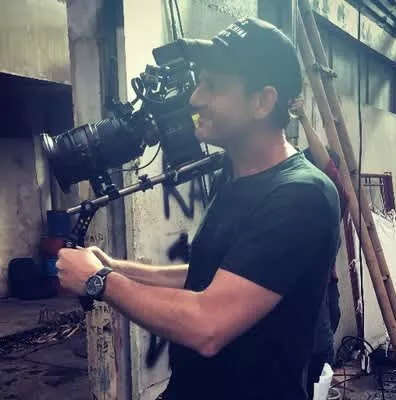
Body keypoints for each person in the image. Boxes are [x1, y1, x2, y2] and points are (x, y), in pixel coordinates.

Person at [56, 18, 340, 400]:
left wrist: (99, 281)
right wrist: (114, 266)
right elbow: (213, 275)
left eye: (214, 86)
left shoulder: (301, 195)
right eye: (199, 82)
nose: (195, 98)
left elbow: (208, 324)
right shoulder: (235, 172)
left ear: (262, 102)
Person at [290, 99, 347, 398]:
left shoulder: (331, 196)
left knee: (318, 357)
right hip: (301, 292)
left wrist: (303, 118)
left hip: (321, 291)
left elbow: (326, 166)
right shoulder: (293, 199)